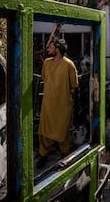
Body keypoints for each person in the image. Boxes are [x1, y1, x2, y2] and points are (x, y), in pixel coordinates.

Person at [37, 38, 79, 169]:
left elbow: (74, 86)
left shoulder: (69, 64)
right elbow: (44, 78)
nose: (48, 49)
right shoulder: (47, 63)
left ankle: (64, 153)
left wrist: (70, 102)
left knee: (63, 129)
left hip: (63, 103)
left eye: (50, 47)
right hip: (48, 102)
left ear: (58, 49)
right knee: (45, 129)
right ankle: (43, 154)